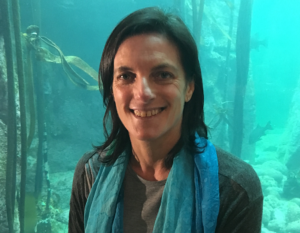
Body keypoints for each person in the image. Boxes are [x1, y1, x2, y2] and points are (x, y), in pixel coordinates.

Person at [68, 7, 263, 233]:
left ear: (189, 86)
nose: (142, 93)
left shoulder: (234, 189)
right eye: (126, 76)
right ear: (111, 88)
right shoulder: (89, 174)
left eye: (162, 75)